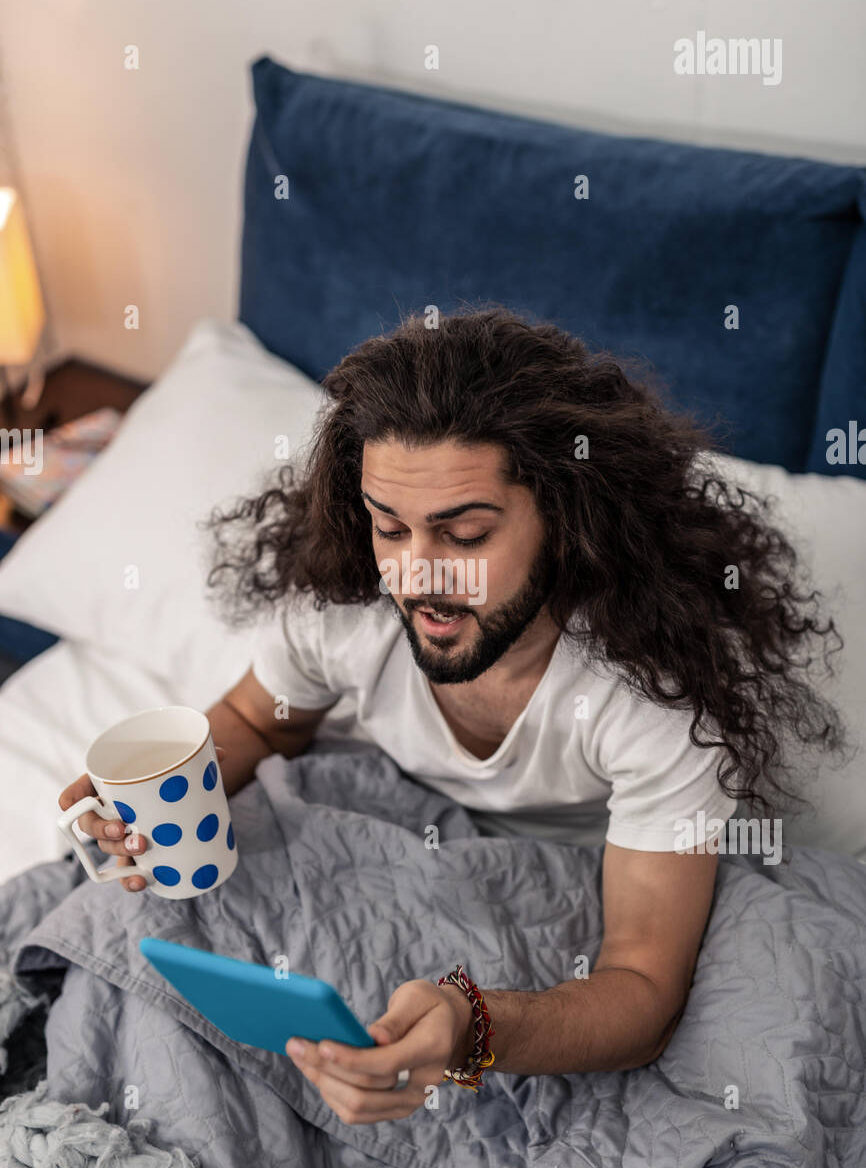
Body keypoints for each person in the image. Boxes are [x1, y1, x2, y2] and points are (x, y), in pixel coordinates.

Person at [58, 306, 846, 1125]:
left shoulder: (651, 703)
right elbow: (259, 724)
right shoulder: (345, 613)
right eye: (389, 527)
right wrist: (158, 796)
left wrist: (475, 1027)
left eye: (465, 534)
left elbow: (642, 992)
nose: (418, 578)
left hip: (564, 901)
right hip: (379, 835)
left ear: (567, 521)